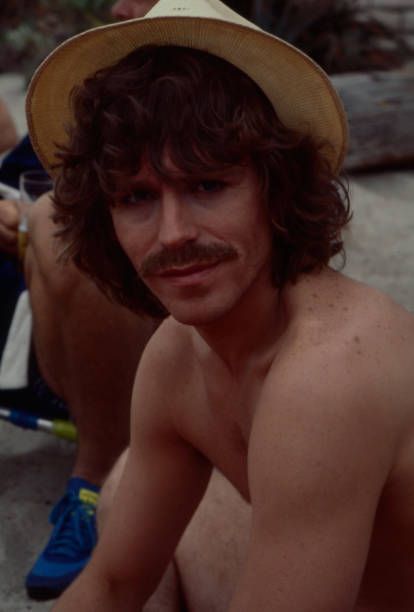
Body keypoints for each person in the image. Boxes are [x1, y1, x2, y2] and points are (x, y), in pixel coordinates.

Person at [23, 0, 414, 610]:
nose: (173, 233)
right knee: (127, 483)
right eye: (136, 197)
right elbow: (113, 583)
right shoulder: (178, 357)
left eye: (208, 185)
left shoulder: (327, 376)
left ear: (276, 188)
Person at [0, 0, 160, 600]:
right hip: (44, 315)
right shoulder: (99, 78)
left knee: (63, 224)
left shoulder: (215, 89)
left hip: (133, 311)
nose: (117, 5)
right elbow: (18, 155)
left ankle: (92, 480)